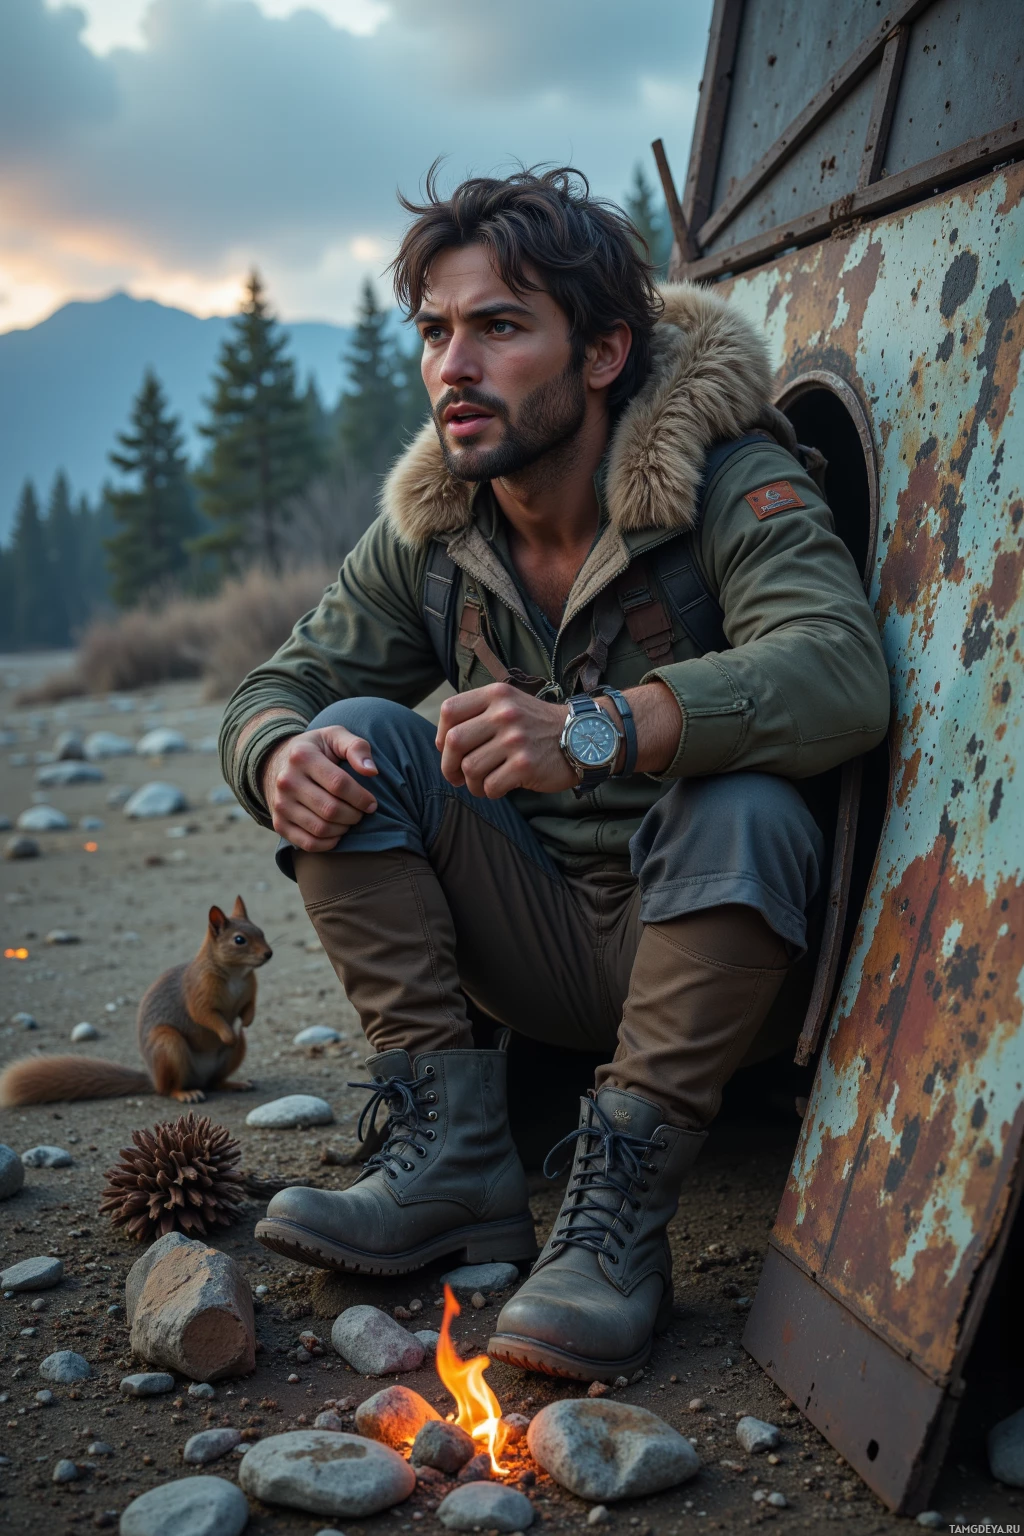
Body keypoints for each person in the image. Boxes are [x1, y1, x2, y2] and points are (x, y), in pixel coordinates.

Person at [219, 166, 890, 1382]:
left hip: (726, 957)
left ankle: (617, 1225)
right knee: (358, 729)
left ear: (602, 351)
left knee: (745, 805)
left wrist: (595, 728)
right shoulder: (435, 529)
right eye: (435, 331)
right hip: (531, 945)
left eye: (499, 327)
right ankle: (452, 1163)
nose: (453, 368)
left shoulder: (728, 478)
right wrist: (278, 755)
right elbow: (273, 691)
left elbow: (842, 673)